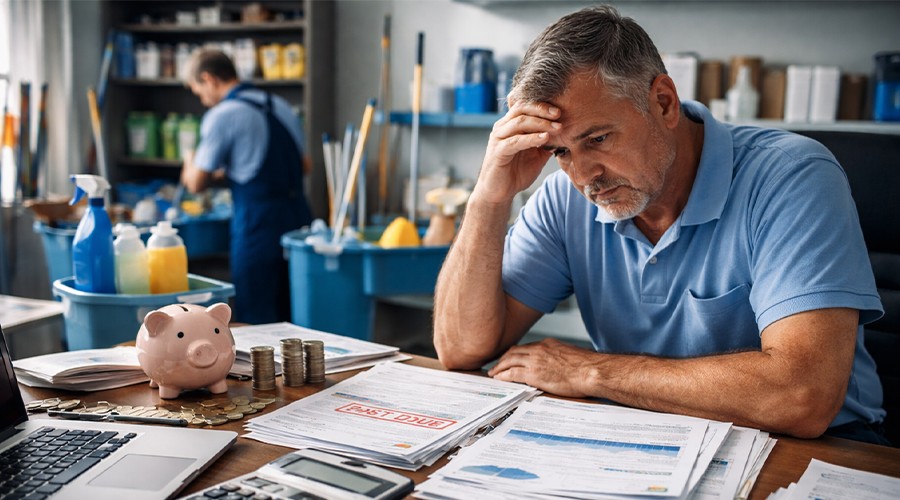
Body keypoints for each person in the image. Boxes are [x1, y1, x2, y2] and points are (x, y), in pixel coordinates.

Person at [433, 5, 889, 445]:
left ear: (664, 102)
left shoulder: (791, 177)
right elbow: (461, 349)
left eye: (598, 139)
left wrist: (592, 371)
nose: (584, 175)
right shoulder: (563, 200)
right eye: (561, 152)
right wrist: (488, 198)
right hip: (649, 435)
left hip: (821, 447)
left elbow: (801, 397)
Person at [182, 48, 312, 324]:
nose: (203, 100)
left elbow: (196, 183)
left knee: (257, 313)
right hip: (299, 217)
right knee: (293, 308)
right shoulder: (279, 104)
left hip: (258, 223)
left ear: (209, 79)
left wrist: (189, 160)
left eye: (199, 91)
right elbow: (305, 166)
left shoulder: (223, 115)